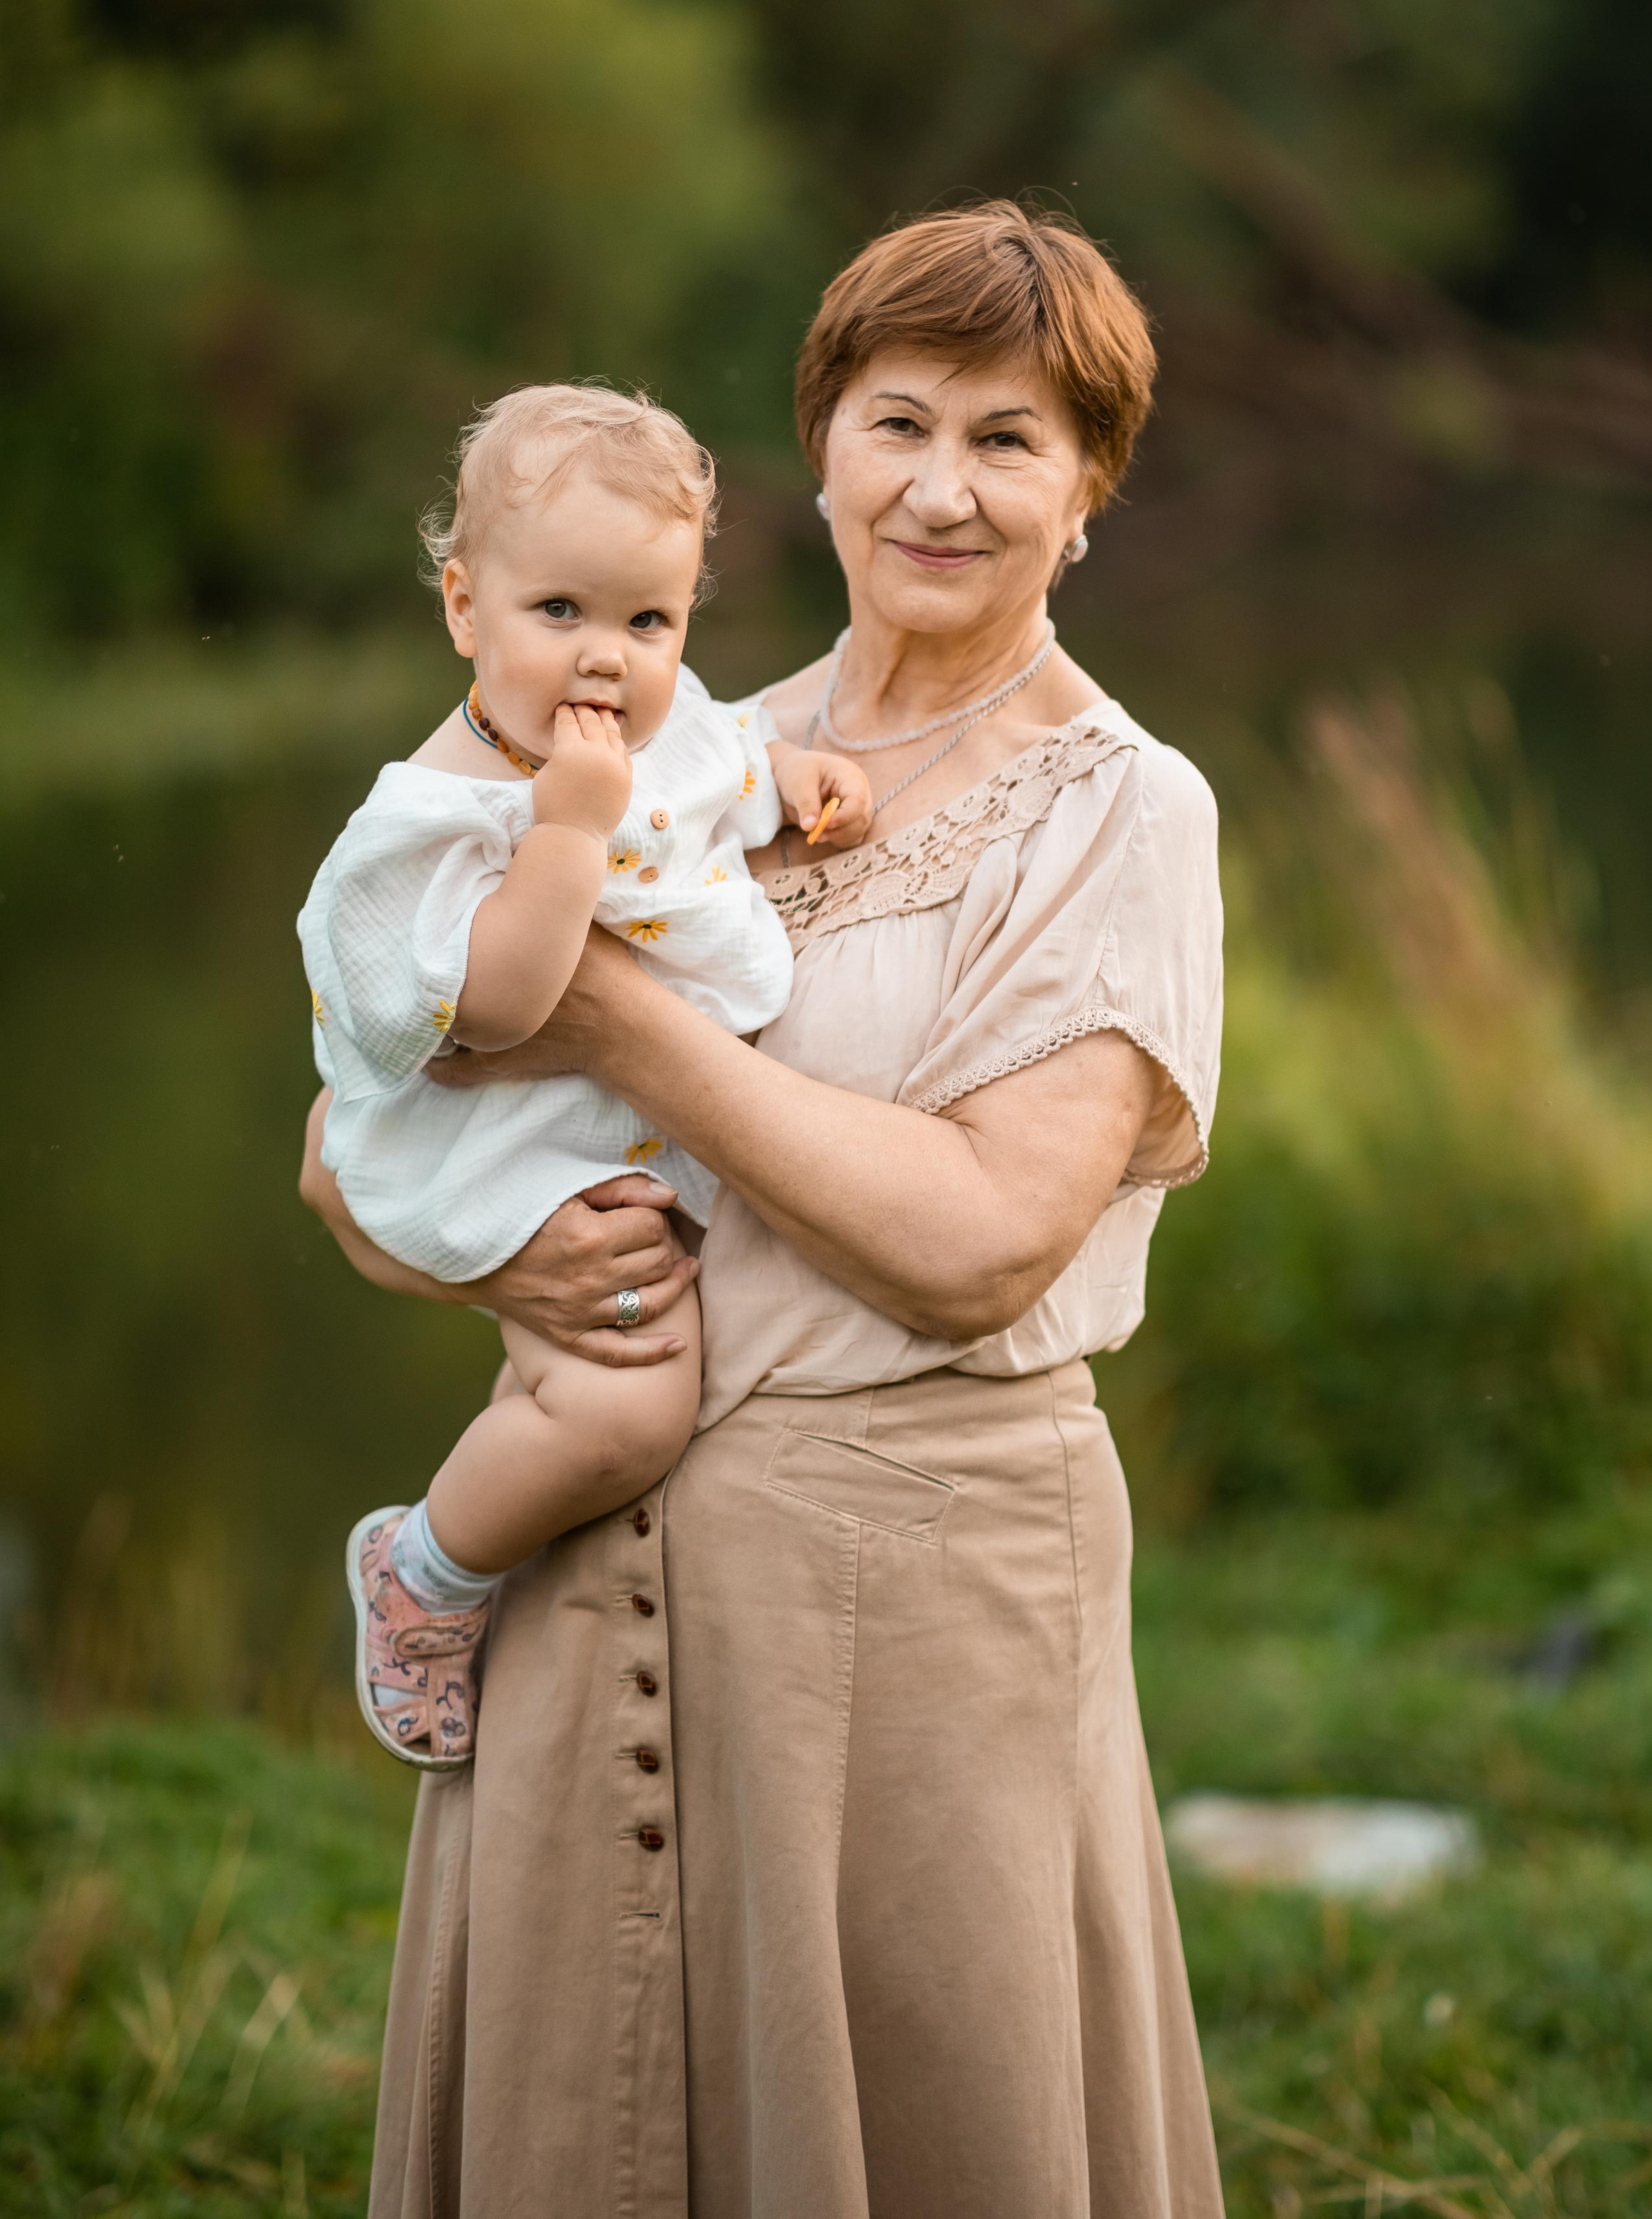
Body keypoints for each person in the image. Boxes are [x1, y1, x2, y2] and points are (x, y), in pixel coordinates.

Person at [303, 201, 1227, 2216]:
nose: (944, 487)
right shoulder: (662, 732)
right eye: (901, 421)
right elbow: (346, 1138)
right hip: (576, 1582)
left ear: (1092, 494)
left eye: (1013, 439)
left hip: (919, 1611)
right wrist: (498, 1253)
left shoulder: (1118, 809)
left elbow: (990, 1235)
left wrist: (617, 1028)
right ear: (818, 453)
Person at [297, 383, 869, 1765]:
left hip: (621, 1130)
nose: (605, 660)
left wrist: (795, 776)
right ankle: (423, 1571)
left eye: (647, 621)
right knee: (624, 1406)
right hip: (509, 1145)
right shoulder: (435, 819)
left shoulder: (652, 731)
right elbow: (500, 1008)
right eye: (558, 613)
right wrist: (562, 834)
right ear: (463, 610)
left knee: (629, 1381)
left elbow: (724, 760)